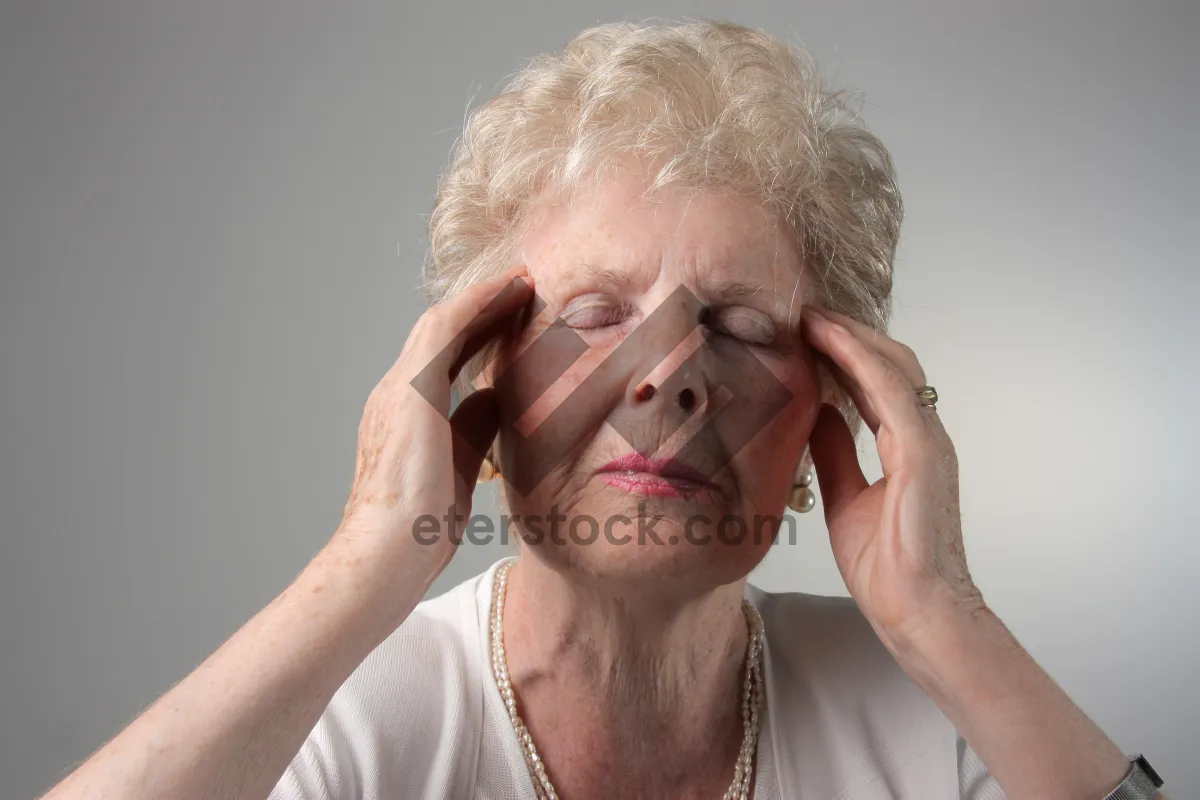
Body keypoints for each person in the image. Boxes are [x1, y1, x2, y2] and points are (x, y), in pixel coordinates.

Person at [41, 19, 1167, 800]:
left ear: (830, 413)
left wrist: (945, 616)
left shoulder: (925, 709)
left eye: (738, 323)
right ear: (478, 379)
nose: (668, 374)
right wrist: (362, 568)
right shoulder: (347, 713)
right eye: (592, 312)